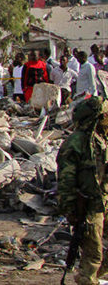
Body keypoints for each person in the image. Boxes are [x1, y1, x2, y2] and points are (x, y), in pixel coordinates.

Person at [56, 96, 108, 285]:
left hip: (103, 201)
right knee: (92, 254)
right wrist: (70, 209)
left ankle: (91, 277)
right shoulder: (77, 142)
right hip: (89, 206)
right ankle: (88, 279)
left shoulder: (101, 138)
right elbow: (65, 180)